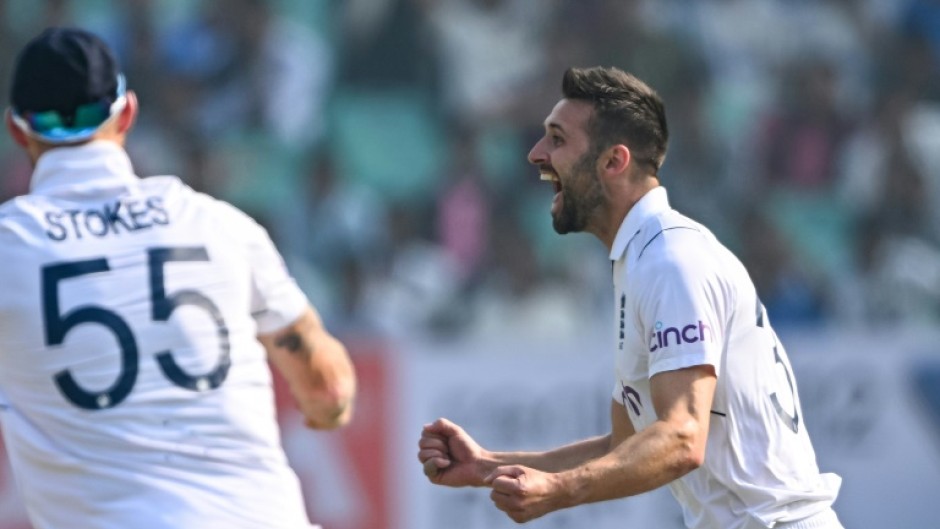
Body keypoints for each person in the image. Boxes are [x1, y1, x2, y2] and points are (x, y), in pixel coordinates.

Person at [418, 66, 844, 529]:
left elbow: (682, 438)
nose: (536, 154)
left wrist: (558, 492)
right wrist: (486, 467)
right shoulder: (642, 260)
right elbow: (624, 445)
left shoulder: (671, 261)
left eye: (557, 140)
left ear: (614, 162)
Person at [0, 27, 357, 529]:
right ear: (127, 113)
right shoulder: (220, 225)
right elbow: (329, 391)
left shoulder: (9, 248)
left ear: (18, 131)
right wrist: (325, 415)